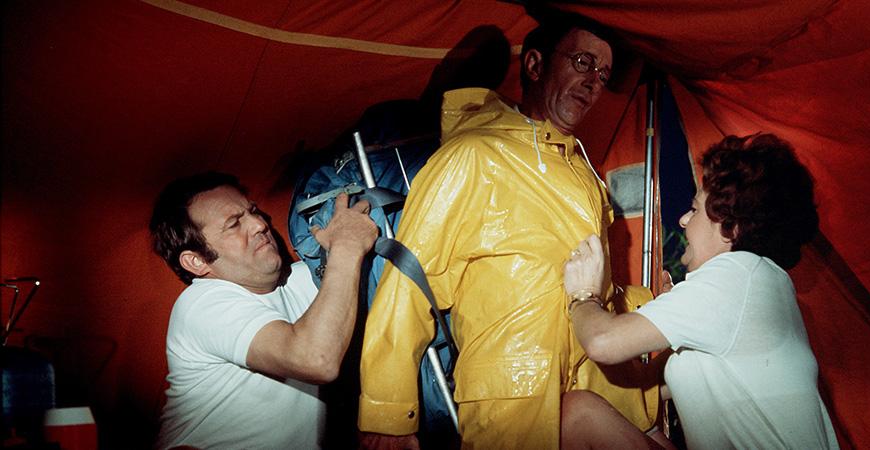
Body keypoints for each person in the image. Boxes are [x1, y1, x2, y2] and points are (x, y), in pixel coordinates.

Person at [358, 14, 660, 450]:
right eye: (582, 62)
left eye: (603, 73)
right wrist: (386, 415)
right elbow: (408, 282)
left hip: (596, 391)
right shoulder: (472, 155)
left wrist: (657, 302)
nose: (594, 81)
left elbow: (590, 288)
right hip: (512, 402)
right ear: (535, 66)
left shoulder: (585, 176)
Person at [561, 134, 840, 449]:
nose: (683, 221)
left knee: (577, 415)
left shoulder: (737, 274)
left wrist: (583, 294)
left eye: (694, 210)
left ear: (729, 228)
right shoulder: (762, 282)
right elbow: (652, 386)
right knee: (640, 428)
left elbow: (602, 342)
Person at [149, 172, 378, 450]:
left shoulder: (300, 279)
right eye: (234, 224)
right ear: (196, 262)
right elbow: (316, 359)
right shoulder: (200, 303)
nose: (260, 224)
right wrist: (346, 246)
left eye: (254, 211)